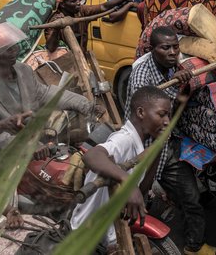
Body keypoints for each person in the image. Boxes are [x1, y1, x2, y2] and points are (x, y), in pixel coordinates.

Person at [126, 27, 216, 255]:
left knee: (190, 197)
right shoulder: (142, 77)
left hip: (168, 140)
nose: (172, 52)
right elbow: (155, 123)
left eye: (175, 47)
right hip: (147, 146)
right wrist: (180, 93)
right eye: (165, 48)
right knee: (138, 194)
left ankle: (193, 247)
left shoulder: (173, 65)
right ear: (152, 49)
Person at [0, 22, 103, 174]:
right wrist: (30, 148)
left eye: (14, 46)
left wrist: (85, 105)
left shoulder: (22, 70)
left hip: (35, 147)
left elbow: (46, 93)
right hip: (0, 162)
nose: (15, 50)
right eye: (7, 49)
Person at [70, 86, 172, 250]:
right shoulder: (125, 139)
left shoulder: (139, 145)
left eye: (168, 115)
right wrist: (127, 182)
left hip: (110, 232)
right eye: (162, 114)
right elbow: (92, 156)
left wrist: (158, 147)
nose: (167, 121)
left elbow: (143, 189)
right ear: (141, 113)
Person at [44, 0, 137, 53]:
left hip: (81, 60)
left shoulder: (81, 11)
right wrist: (57, 28)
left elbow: (103, 7)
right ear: (63, 4)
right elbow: (51, 48)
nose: (78, 3)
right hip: (64, 65)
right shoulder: (55, 20)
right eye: (74, 1)